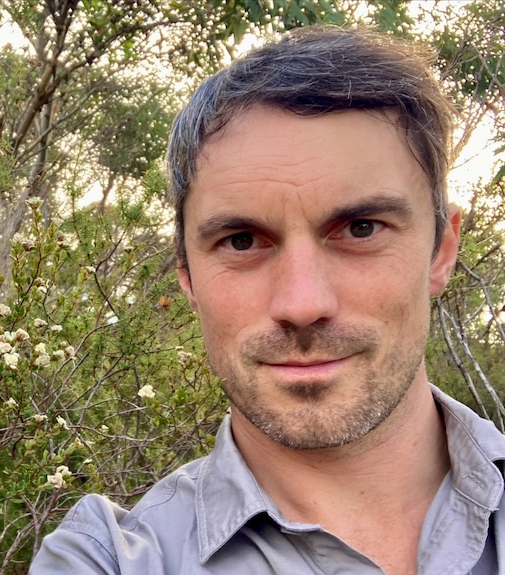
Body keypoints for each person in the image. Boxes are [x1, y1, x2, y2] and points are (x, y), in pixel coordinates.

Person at [29, 26, 505, 575]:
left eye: (361, 228)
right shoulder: (111, 560)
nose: (302, 304)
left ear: (441, 251)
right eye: (242, 241)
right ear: (186, 274)